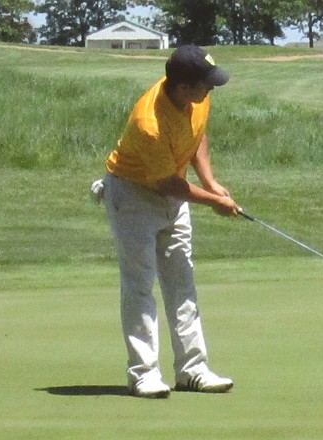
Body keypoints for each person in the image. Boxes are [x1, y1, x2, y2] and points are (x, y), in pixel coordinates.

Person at [96, 45, 240, 398]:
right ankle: (143, 373)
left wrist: (210, 181)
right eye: (204, 84)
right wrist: (214, 202)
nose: (210, 89)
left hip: (173, 194)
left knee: (181, 282)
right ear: (182, 86)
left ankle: (192, 369)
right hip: (133, 196)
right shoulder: (149, 122)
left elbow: (197, 135)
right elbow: (170, 185)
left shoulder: (196, 97)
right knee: (140, 284)